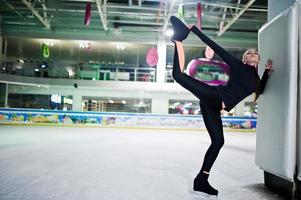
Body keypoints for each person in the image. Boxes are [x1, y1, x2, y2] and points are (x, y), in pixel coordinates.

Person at [170, 16, 273, 196]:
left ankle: (201, 180)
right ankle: (179, 37)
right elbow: (216, 47)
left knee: (218, 141)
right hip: (214, 96)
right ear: (244, 58)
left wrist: (267, 73)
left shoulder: (255, 79)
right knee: (179, 76)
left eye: (254, 52)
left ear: (259, 58)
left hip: (214, 104)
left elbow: (260, 89)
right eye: (248, 52)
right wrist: (194, 30)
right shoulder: (238, 66)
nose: (250, 54)